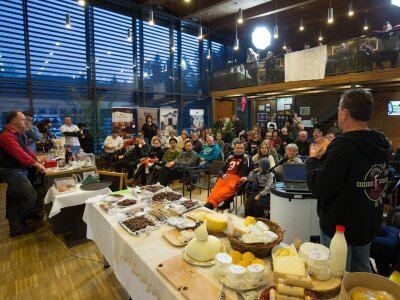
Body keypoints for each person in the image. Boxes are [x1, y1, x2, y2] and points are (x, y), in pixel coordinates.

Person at [306, 89, 391, 272]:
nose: (338, 114)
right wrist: (331, 152)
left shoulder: (344, 146)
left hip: (340, 230)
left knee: (335, 278)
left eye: (338, 110)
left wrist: (313, 159)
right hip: (366, 225)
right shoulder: (381, 142)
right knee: (360, 276)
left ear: (344, 112)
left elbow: (318, 185)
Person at [0, 111, 47, 237]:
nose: (25, 122)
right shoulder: (6, 135)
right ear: (14, 120)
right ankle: (19, 221)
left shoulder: (17, 133)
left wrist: (37, 159)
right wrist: (38, 166)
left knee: (14, 199)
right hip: (12, 171)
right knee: (31, 196)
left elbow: (26, 150)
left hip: (18, 169)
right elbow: (20, 154)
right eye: (22, 120)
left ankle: (16, 228)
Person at [204, 141, 255, 210]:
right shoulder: (230, 158)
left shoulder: (247, 158)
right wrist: (222, 175)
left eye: (241, 148)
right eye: (238, 148)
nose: (240, 150)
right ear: (234, 149)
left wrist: (247, 177)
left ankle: (205, 210)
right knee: (212, 195)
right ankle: (206, 210)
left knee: (218, 196)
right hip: (223, 179)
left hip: (235, 182)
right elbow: (221, 169)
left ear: (244, 149)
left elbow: (255, 170)